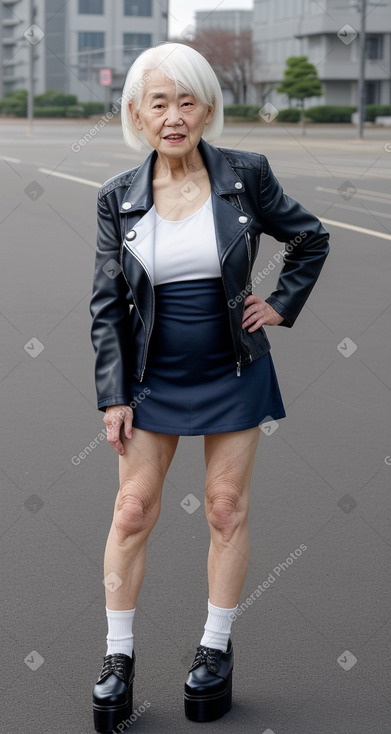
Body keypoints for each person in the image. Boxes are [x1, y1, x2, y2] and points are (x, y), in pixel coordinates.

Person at [90, 42, 329, 732]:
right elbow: (107, 304)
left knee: (224, 507)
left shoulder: (244, 175)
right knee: (132, 509)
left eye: (186, 100)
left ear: (206, 108)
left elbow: (308, 237)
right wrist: (113, 393)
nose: (173, 116)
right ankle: (117, 660)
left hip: (232, 368)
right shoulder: (117, 198)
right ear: (136, 112)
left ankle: (215, 649)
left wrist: (280, 301)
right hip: (148, 376)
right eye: (158, 102)